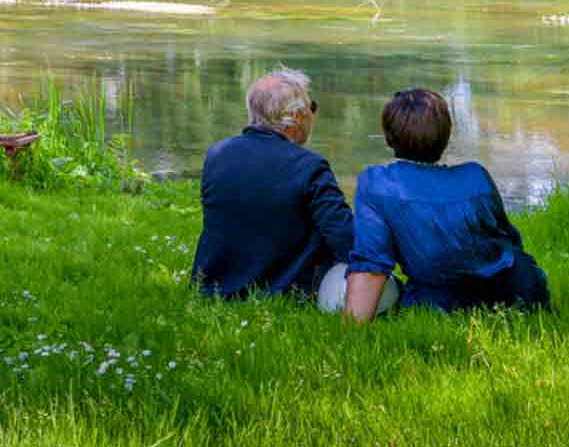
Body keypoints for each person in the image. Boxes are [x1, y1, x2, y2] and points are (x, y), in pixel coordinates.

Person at [193, 68, 395, 316]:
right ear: (297, 117)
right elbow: (347, 243)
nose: (313, 114)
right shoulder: (309, 166)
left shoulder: (217, 155)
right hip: (286, 292)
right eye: (312, 107)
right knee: (382, 286)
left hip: (217, 287)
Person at [343, 88, 551, 322]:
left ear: (389, 137)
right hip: (521, 290)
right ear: (447, 134)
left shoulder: (376, 184)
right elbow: (510, 240)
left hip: (442, 303)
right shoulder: (477, 176)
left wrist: (351, 331)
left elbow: (371, 266)